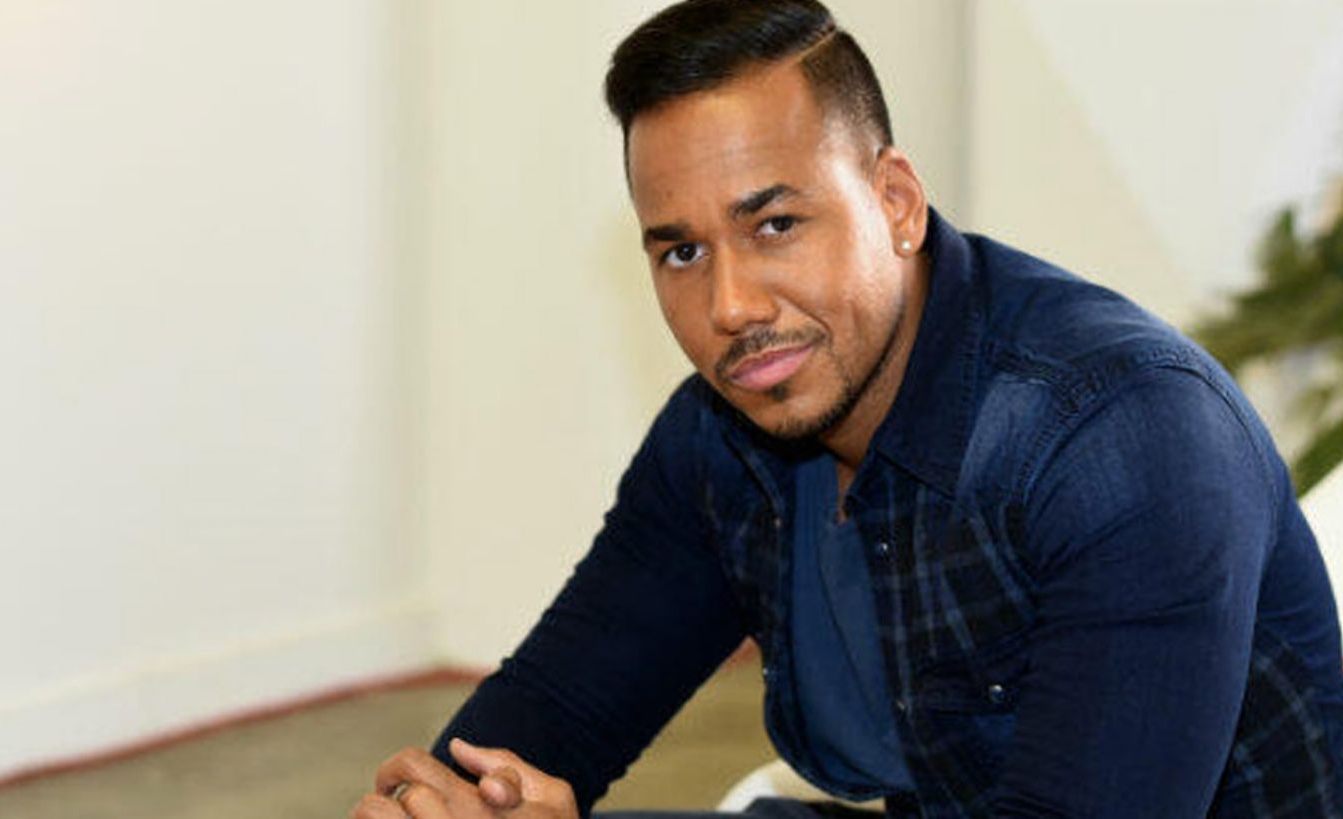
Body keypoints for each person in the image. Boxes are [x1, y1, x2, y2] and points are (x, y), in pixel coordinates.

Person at [351, 1, 1343, 816]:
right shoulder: (723, 434)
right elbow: (550, 712)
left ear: (896, 202)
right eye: (682, 251)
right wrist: (452, 804)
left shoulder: (1119, 434)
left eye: (775, 224)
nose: (731, 306)